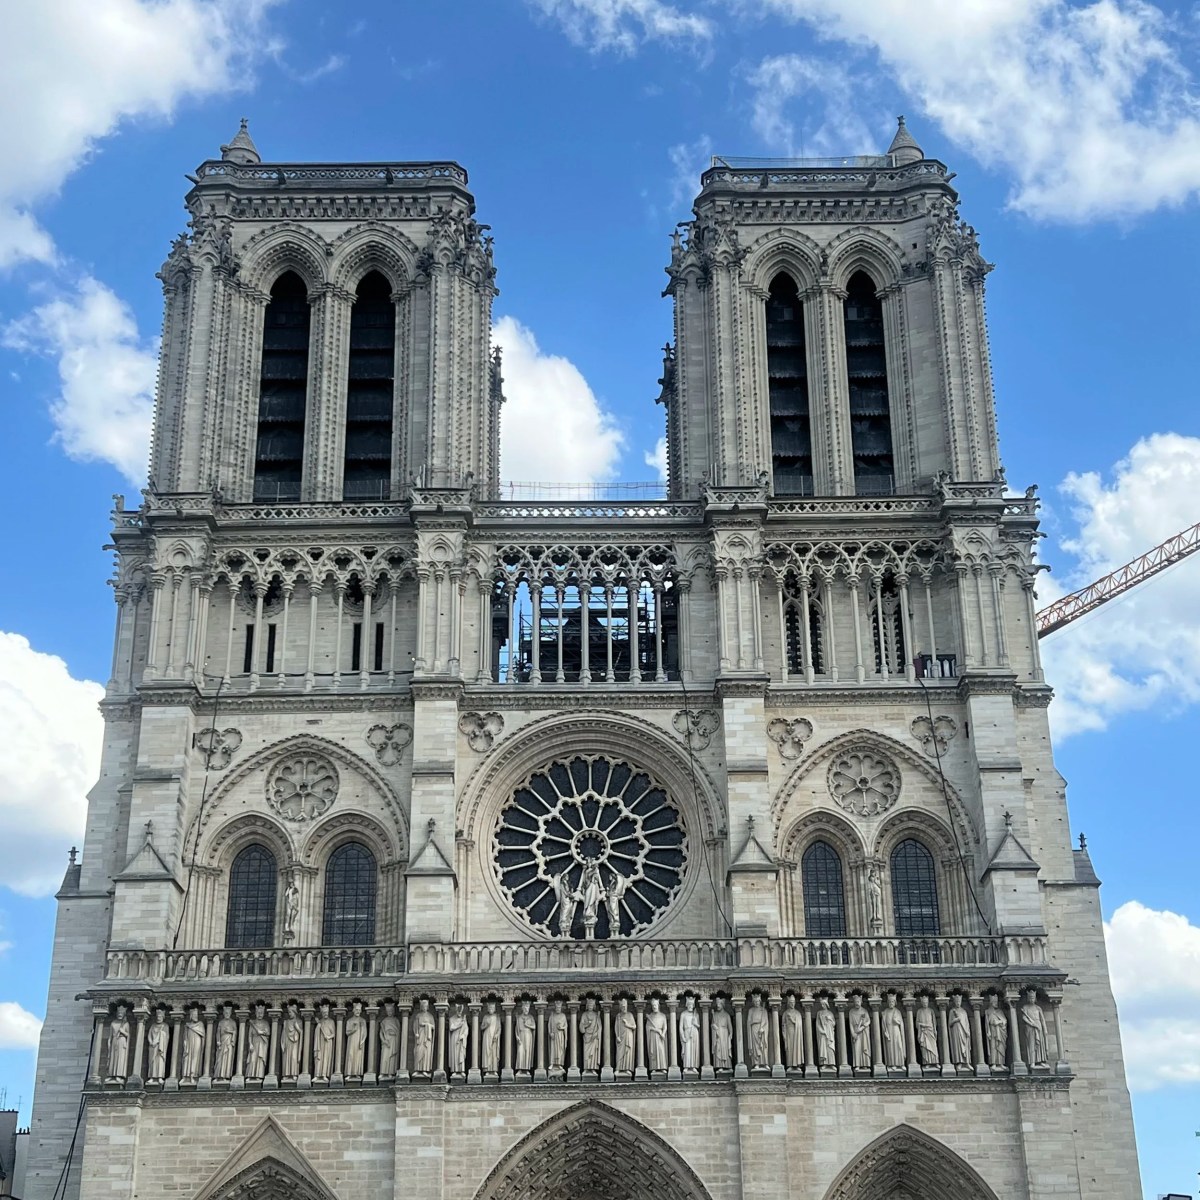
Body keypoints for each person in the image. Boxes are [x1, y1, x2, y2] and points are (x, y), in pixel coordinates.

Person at [1019, 989, 1049, 1067]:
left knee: (1040, 1045)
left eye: (1033, 998)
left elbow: (1042, 1019)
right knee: (1031, 1044)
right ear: (1028, 998)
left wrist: (1045, 1029)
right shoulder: (1025, 1007)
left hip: (1038, 1026)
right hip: (1030, 1028)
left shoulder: (1038, 1008)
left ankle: (1041, 1061)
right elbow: (1024, 1018)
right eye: (1030, 998)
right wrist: (1032, 1024)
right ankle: (1032, 1061)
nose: (1032, 999)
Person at [245, 1003, 270, 1079]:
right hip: (254, 1042)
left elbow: (268, 1033)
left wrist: (262, 1032)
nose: (260, 1015)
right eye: (258, 1013)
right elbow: (250, 1035)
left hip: (262, 1043)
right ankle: (250, 1075)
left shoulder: (265, 1023)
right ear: (256, 1013)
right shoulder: (253, 1023)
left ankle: (258, 1076)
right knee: (252, 1059)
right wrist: (250, 1044)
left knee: (260, 1059)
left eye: (261, 1013)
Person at [106, 1004, 130, 1082]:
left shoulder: (125, 1024)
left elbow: (128, 1035)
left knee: (120, 1058)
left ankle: (118, 1075)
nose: (120, 1015)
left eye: (121, 1013)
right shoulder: (113, 1023)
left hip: (122, 1041)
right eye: (119, 1013)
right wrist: (109, 1044)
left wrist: (123, 1032)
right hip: (114, 1041)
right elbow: (110, 1036)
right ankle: (111, 1074)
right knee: (113, 1058)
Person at [881, 993, 905, 1068]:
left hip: (896, 1031)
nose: (891, 1003)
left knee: (899, 1046)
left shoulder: (897, 1011)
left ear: (895, 1003)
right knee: (890, 1048)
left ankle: (901, 1064)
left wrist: (896, 1021)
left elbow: (901, 1023)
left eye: (892, 1002)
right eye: (890, 1001)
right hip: (889, 1032)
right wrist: (885, 1032)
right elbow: (883, 1023)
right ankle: (892, 1064)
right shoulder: (885, 1012)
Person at [182, 1005, 206, 1082]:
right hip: (189, 1043)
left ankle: (194, 1075)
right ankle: (186, 1076)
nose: (196, 1017)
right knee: (187, 1057)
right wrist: (185, 1044)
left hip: (197, 1042)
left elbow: (202, 1034)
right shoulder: (187, 1025)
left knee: (195, 1057)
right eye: (194, 1015)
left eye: (197, 1015)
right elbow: (185, 1037)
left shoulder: (200, 1024)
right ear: (191, 1016)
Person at [848, 994, 871, 1070]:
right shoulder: (851, 1011)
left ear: (861, 1002)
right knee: (857, 1048)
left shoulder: (864, 1011)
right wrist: (853, 1033)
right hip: (855, 1032)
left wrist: (862, 1027)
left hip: (863, 1032)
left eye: (858, 1001)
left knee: (864, 1047)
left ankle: (865, 1064)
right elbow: (850, 1023)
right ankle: (857, 1064)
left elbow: (868, 1021)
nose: (857, 1003)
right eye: (855, 1002)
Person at [146, 1008, 169, 1082]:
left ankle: (159, 1077)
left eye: (160, 1017)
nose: (158, 1018)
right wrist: (151, 1041)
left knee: (160, 1060)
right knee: (152, 1061)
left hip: (161, 1046)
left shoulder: (165, 1026)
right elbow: (149, 1035)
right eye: (158, 1017)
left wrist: (159, 1039)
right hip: (153, 1046)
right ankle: (152, 1077)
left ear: (163, 1017)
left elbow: (166, 1037)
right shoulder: (153, 1026)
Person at [746, 993, 769, 1068]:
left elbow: (766, 1021)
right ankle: (756, 1063)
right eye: (755, 1002)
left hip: (762, 1029)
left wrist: (763, 1028)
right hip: (754, 1028)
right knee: (755, 1046)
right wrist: (752, 1023)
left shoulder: (763, 1010)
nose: (756, 1003)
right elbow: (749, 1022)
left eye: (758, 1001)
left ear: (760, 1001)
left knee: (763, 1045)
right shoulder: (751, 1010)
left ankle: (765, 1063)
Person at [214, 1003, 237, 1079]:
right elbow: (218, 1032)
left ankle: (226, 1075)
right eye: (226, 1013)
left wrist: (230, 1032)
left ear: (230, 1013)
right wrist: (218, 1041)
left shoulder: (233, 1022)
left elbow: (235, 1032)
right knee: (220, 1058)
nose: (227, 1014)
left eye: (228, 1013)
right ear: (223, 1013)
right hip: (222, 1041)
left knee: (228, 1058)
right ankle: (219, 1075)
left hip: (229, 1042)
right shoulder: (221, 1022)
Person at [313, 1002, 335, 1079]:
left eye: (326, 1012)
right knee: (319, 1058)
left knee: (325, 1058)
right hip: (320, 1042)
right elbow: (316, 1033)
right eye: (324, 1012)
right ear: (322, 1013)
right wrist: (318, 1027)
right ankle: (317, 1074)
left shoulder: (331, 1021)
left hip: (328, 1042)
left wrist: (328, 1037)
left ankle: (324, 1074)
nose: (325, 1014)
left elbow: (333, 1034)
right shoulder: (320, 1021)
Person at [344, 1000, 366, 1077]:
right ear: (353, 1010)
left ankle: (356, 1073)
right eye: (356, 1010)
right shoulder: (349, 1021)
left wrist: (362, 1041)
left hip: (359, 1041)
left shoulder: (362, 1021)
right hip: (351, 1041)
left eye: (359, 1010)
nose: (358, 1011)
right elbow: (347, 1032)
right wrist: (353, 1030)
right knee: (350, 1055)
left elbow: (365, 1033)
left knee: (358, 1056)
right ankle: (349, 1073)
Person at [412, 999, 435, 1074]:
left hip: (427, 1037)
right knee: (418, 1051)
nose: (424, 1007)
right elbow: (415, 1025)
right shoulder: (418, 1015)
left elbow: (433, 1027)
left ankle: (425, 1069)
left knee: (426, 1052)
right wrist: (416, 1033)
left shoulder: (430, 1016)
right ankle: (417, 1069)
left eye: (426, 1006)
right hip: (420, 1036)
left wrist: (426, 1025)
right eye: (423, 1006)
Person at [377, 1001, 400, 1077]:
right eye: (388, 1011)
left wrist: (395, 1034)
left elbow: (399, 1031)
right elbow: (381, 1032)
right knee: (385, 1056)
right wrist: (383, 1040)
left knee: (392, 1057)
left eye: (391, 1011)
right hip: (386, 1041)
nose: (390, 1012)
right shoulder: (384, 1021)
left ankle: (391, 1072)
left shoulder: (396, 1020)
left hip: (393, 1040)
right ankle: (383, 1072)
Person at [915, 994, 939, 1066]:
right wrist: (922, 1025)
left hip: (930, 1031)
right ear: (921, 1003)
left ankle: (935, 1062)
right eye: (924, 1003)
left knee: (933, 1047)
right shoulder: (919, 1011)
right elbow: (917, 1023)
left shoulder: (931, 1011)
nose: (925, 1004)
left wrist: (934, 1030)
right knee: (925, 1047)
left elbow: (934, 1022)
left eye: (926, 1002)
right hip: (923, 1032)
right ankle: (927, 1062)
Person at [985, 994, 1008, 1068]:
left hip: (1000, 1031)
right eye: (994, 1001)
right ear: (991, 1002)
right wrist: (988, 1031)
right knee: (993, 1046)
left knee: (1000, 1046)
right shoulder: (987, 1011)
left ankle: (1001, 1063)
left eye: (997, 1001)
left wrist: (999, 1022)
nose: (996, 1003)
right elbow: (986, 1023)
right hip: (993, 1031)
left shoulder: (1000, 1011)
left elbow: (1004, 1021)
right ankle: (993, 1063)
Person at [948, 993, 971, 1068]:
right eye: (956, 1002)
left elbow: (966, 1022)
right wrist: (955, 1020)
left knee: (965, 1046)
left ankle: (967, 1062)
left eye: (959, 1002)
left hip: (964, 1031)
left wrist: (967, 1031)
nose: (958, 1003)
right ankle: (959, 1062)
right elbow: (950, 1024)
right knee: (957, 1046)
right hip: (956, 1031)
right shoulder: (952, 1011)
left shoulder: (964, 1011)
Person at [645, 998, 668, 1072]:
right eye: (653, 1005)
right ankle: (653, 1067)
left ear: (658, 1005)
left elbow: (665, 1026)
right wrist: (655, 1030)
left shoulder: (662, 1016)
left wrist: (663, 1033)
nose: (654, 1007)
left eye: (655, 1005)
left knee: (661, 1050)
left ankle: (662, 1067)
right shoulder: (650, 1016)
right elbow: (648, 1027)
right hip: (653, 1036)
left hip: (660, 1036)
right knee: (653, 1051)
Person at [679, 995, 700, 1072]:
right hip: (687, 1032)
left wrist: (695, 1023)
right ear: (687, 1005)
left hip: (694, 1032)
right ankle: (686, 1066)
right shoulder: (683, 1014)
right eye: (689, 1005)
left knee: (694, 1049)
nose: (690, 1006)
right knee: (687, 1049)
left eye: (692, 1005)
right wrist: (682, 1036)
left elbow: (698, 1025)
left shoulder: (696, 1014)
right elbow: (681, 1027)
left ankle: (694, 1066)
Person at [604, 869, 629, 936]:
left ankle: (615, 920)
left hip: (613, 897)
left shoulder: (614, 883)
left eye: (610, 876)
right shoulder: (612, 883)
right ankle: (613, 921)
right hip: (611, 897)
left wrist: (609, 891)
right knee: (610, 909)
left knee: (613, 908)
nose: (609, 878)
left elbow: (615, 890)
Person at [281, 1003, 302, 1079]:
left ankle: (294, 1073)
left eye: (291, 1012)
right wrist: (282, 1043)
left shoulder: (299, 1021)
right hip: (287, 1042)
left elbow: (301, 1033)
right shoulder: (286, 1022)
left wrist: (297, 1028)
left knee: (293, 1057)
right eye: (288, 1012)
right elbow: (283, 1033)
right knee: (286, 1058)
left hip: (295, 1042)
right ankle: (286, 1074)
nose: (289, 1014)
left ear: (294, 1012)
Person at [614, 998, 636, 1072]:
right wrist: (617, 1036)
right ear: (620, 1007)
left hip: (628, 1036)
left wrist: (627, 1025)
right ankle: (618, 1068)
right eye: (622, 1007)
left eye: (625, 1006)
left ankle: (627, 1068)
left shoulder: (630, 1015)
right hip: (621, 1037)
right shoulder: (618, 1016)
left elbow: (634, 1026)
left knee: (628, 1052)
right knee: (620, 1052)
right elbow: (616, 1027)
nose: (624, 1008)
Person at [711, 997, 733, 1070]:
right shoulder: (715, 1015)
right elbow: (712, 1024)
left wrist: (730, 1035)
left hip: (724, 1034)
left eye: (719, 1004)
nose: (718, 1006)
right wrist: (713, 1026)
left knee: (725, 1049)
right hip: (717, 1034)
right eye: (717, 1004)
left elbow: (730, 1027)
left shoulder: (727, 1015)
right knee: (718, 1048)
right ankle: (720, 1065)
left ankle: (727, 1065)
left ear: (722, 1005)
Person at [515, 1000, 536, 1072]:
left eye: (528, 1008)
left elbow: (534, 1027)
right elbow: (516, 1029)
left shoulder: (531, 1017)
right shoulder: (519, 1018)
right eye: (525, 1008)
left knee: (527, 1051)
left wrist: (527, 1025)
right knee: (520, 1052)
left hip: (528, 1036)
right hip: (521, 1036)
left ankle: (526, 1069)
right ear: (522, 1008)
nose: (526, 1010)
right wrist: (517, 1036)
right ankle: (520, 1069)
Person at [554, 871, 577, 937]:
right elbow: (564, 892)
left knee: (569, 909)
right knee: (565, 909)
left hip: (568, 899)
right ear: (564, 877)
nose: (567, 878)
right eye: (567, 877)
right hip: (565, 898)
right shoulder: (561, 884)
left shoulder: (566, 883)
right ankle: (563, 921)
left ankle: (566, 922)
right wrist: (569, 895)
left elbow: (567, 891)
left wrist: (570, 892)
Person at [580, 998, 601, 1072]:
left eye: (592, 1005)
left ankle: (592, 1068)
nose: (590, 1006)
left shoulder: (596, 1015)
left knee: (593, 1054)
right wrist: (586, 1024)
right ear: (587, 1006)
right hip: (587, 1037)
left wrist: (596, 1034)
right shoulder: (584, 1015)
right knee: (586, 1054)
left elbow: (599, 1027)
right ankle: (586, 1068)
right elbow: (581, 1028)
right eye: (589, 1005)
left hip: (594, 1037)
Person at [814, 997, 836, 1067]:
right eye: (822, 1005)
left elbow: (834, 1024)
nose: (822, 1006)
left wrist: (830, 1019)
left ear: (826, 1005)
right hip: (823, 1033)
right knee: (823, 1048)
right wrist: (821, 1030)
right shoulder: (819, 1013)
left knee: (830, 1048)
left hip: (829, 1033)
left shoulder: (830, 1013)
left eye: (824, 1004)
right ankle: (825, 1063)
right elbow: (817, 1023)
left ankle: (832, 1064)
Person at [481, 1001, 501, 1074]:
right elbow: (482, 1027)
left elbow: (499, 1028)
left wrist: (497, 1035)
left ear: (494, 1009)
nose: (491, 1009)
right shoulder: (485, 1017)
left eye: (492, 1008)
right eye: (490, 1008)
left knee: (494, 1052)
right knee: (487, 1052)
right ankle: (487, 1069)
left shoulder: (497, 1017)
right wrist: (486, 1025)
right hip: (487, 1036)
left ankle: (494, 1069)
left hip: (494, 1037)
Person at [448, 1003, 468, 1075]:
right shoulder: (452, 1019)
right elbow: (451, 1028)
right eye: (458, 1012)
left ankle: (461, 1070)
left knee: (461, 1053)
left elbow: (466, 1029)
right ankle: (455, 1070)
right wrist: (460, 1024)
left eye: (460, 1012)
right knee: (455, 1054)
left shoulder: (463, 1019)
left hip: (461, 1039)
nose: (459, 1013)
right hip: (454, 1037)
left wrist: (463, 1035)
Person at [548, 1000, 568, 1072]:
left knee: (560, 1050)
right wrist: (550, 1033)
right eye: (557, 1008)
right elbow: (549, 1026)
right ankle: (552, 1063)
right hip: (554, 1035)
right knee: (553, 1049)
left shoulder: (563, 1016)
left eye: (559, 1008)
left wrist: (561, 1027)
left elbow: (566, 1026)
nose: (558, 1009)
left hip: (560, 1035)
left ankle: (559, 1064)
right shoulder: (552, 1016)